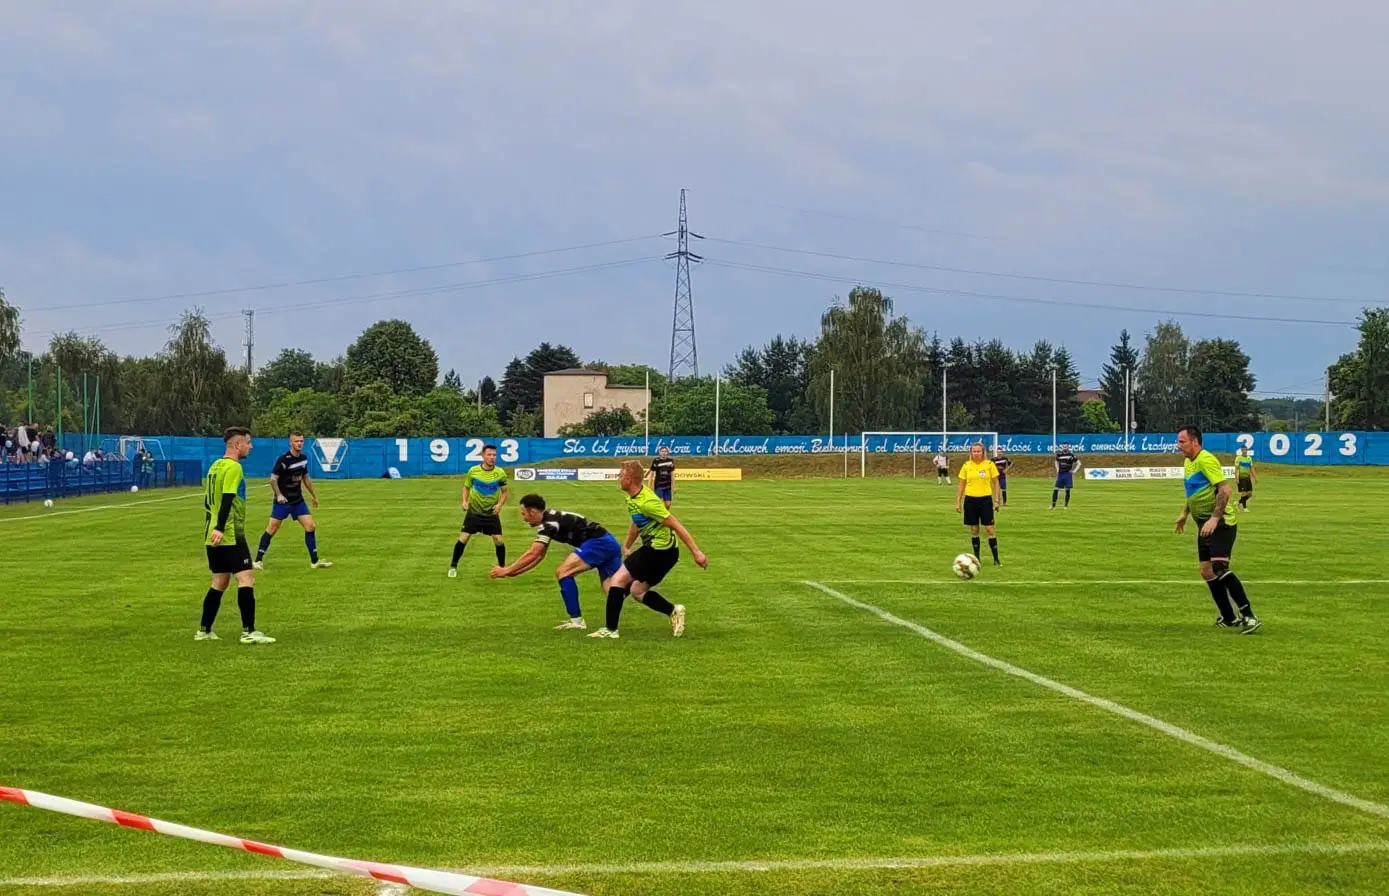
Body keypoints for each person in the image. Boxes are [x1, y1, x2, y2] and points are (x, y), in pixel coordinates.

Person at [588, 460, 708, 640]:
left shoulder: (648, 502)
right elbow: (637, 521)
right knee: (637, 591)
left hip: (660, 551)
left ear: (628, 480)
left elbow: (676, 524)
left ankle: (610, 630)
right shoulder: (632, 497)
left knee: (618, 580)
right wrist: (627, 545)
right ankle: (673, 611)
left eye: (620, 476)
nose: (618, 479)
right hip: (661, 552)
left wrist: (696, 553)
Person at [489, 494, 624, 631]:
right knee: (614, 590)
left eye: (524, 514)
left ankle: (577, 621)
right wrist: (514, 572)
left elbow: (534, 553)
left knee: (563, 572)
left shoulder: (548, 525)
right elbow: (539, 556)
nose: (523, 518)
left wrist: (507, 570)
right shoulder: (550, 518)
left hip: (598, 543)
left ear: (533, 512)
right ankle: (616, 623)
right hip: (609, 543)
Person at [1176, 425, 1260, 633]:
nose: (1178, 446)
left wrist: (1214, 518)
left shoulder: (1206, 459)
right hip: (1204, 524)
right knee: (1206, 571)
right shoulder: (1189, 461)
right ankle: (1229, 617)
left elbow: (1225, 489)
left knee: (1219, 567)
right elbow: (1194, 492)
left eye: (1182, 441)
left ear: (1195, 441)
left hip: (1221, 524)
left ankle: (1249, 616)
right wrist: (1185, 514)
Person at [197, 426, 275, 644]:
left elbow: (208, 500)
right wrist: (221, 528)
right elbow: (228, 498)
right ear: (237, 444)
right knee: (246, 577)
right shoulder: (234, 467)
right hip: (229, 532)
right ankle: (248, 631)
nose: (250, 447)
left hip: (211, 532)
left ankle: (204, 630)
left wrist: (213, 527)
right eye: (248, 442)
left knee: (220, 581)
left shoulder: (215, 466)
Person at [254, 432, 330, 569]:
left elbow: (306, 478)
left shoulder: (304, 458)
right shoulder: (283, 460)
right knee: (272, 529)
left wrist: (314, 495)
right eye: (296, 441)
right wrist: (279, 495)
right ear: (291, 443)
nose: (299, 443)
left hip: (298, 501)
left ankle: (315, 561)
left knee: (310, 526)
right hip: (283, 503)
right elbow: (272, 479)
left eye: (301, 441)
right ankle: (258, 560)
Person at [449, 445, 508, 577]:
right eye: (489, 455)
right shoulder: (473, 471)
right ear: (483, 456)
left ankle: (502, 569)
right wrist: (464, 501)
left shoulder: (500, 473)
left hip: (491, 514)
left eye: (494, 455)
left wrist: (499, 505)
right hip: (474, 513)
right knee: (463, 538)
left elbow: (504, 492)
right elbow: (466, 487)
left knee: (499, 540)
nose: (492, 457)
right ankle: (453, 566)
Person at [955, 442, 1002, 566]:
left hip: (985, 500)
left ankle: (996, 559)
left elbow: (996, 483)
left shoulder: (989, 465)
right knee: (974, 530)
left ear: (983, 452)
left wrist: (997, 500)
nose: (976, 453)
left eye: (978, 451)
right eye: (974, 451)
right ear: (971, 452)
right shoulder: (966, 465)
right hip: (970, 500)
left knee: (989, 529)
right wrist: (958, 501)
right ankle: (976, 559)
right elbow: (961, 484)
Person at [1051, 443, 1080, 509]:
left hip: (1067, 474)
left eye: (1066, 446)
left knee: (1067, 490)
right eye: (1064, 446)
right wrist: (1057, 469)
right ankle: (1053, 506)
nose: (1065, 448)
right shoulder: (1059, 454)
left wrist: (1074, 471)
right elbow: (1056, 461)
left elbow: (1079, 463)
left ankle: (1065, 506)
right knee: (1055, 489)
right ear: (1062, 447)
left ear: (1068, 447)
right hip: (1060, 474)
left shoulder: (1071, 455)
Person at [1235, 446, 1257, 511]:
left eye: (1245, 450)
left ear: (1247, 450)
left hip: (1248, 478)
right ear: (1241, 450)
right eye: (1243, 450)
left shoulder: (1249, 458)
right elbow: (1236, 469)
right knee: (1243, 493)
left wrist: (1255, 477)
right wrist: (1236, 478)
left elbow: (1251, 468)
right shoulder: (1238, 458)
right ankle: (1245, 508)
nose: (1244, 451)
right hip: (1241, 478)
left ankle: (1238, 502)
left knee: (1250, 494)